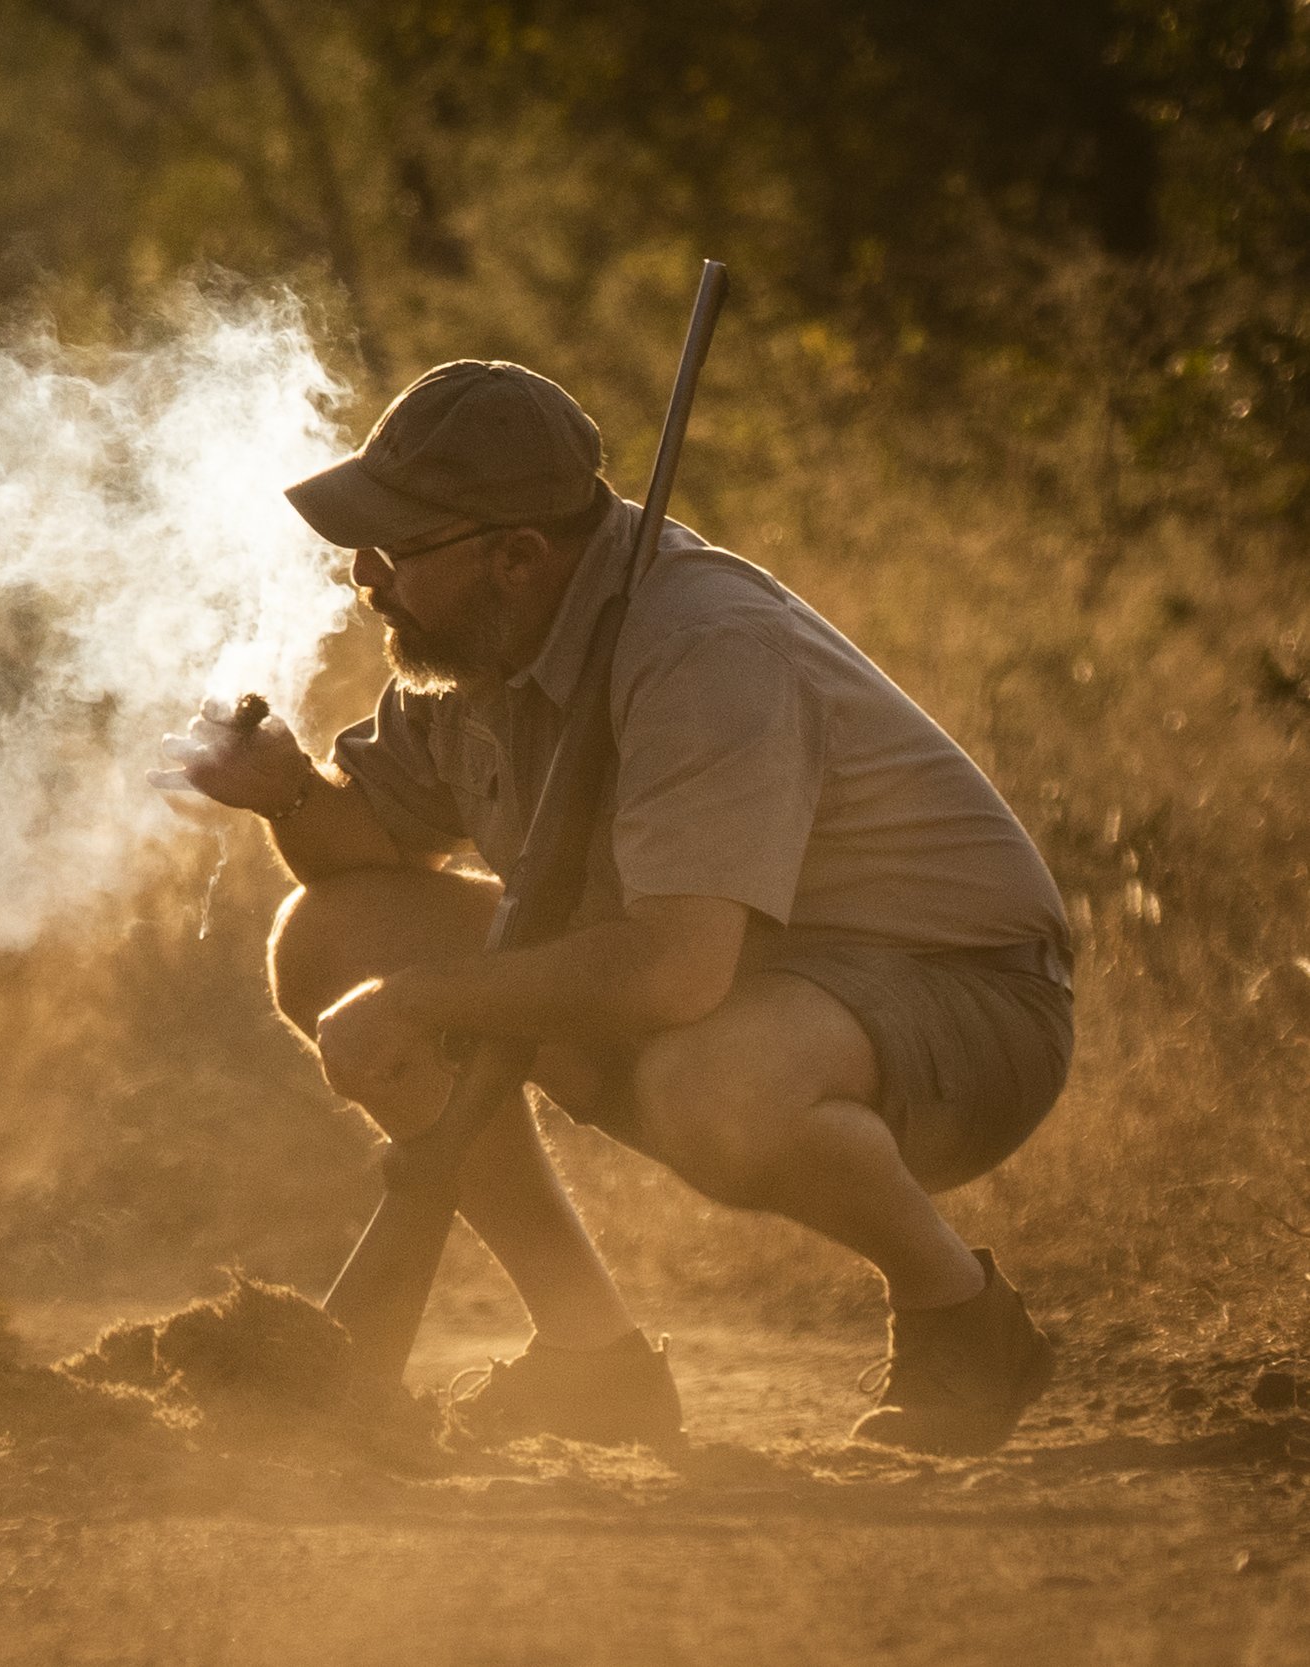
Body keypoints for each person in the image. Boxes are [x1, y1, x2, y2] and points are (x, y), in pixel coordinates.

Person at [160, 361, 1075, 1455]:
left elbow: (671, 974)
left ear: (516, 555)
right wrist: (287, 789)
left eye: (400, 546)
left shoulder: (702, 647)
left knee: (709, 1079)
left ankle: (959, 1318)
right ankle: (589, 1357)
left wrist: (420, 1000)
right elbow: (371, 847)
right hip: (751, 980)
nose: (366, 574)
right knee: (331, 939)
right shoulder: (471, 642)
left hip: (962, 1002)